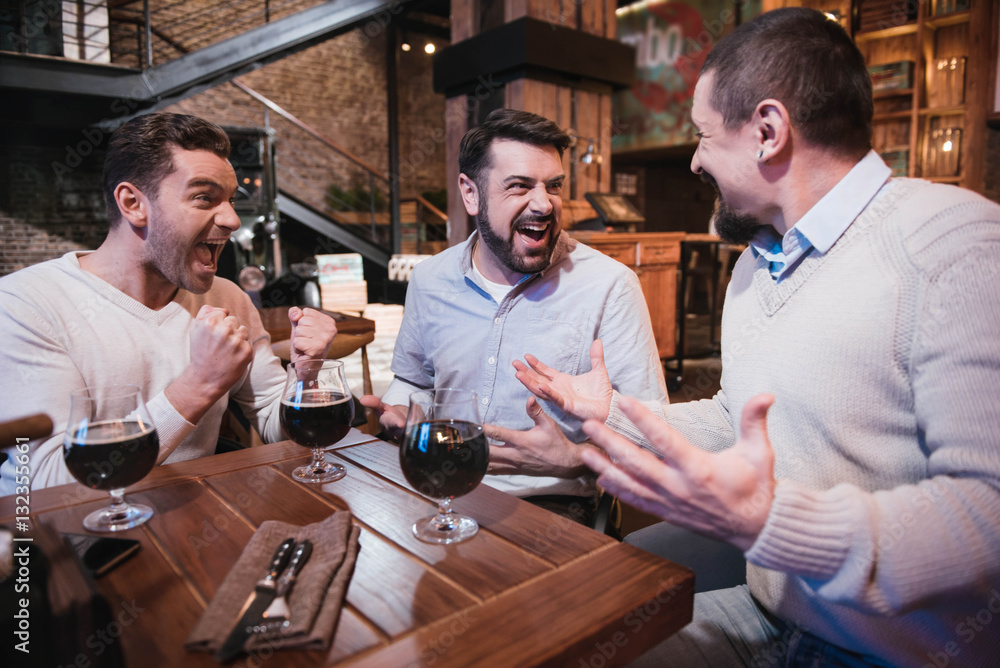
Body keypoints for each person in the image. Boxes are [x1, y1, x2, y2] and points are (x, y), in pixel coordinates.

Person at [495, 8, 1000, 666]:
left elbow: (987, 516)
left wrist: (768, 522)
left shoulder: (955, 245)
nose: (697, 160)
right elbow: (740, 417)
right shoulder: (756, 266)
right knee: (569, 648)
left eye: (704, 136)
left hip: (896, 652)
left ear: (768, 130)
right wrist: (613, 414)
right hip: (769, 613)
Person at [0, 112, 337, 494]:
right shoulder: (26, 305)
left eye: (229, 200)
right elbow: (45, 483)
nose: (230, 219)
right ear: (133, 204)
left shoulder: (227, 297)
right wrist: (199, 385)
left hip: (191, 525)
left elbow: (276, 427)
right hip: (66, 542)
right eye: (204, 197)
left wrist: (304, 375)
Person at [360, 109, 667, 521]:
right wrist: (399, 412)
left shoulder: (610, 285)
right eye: (519, 186)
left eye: (553, 186)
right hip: (437, 486)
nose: (543, 204)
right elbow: (413, 380)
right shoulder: (429, 279)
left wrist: (575, 459)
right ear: (471, 194)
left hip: (552, 506)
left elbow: (654, 434)